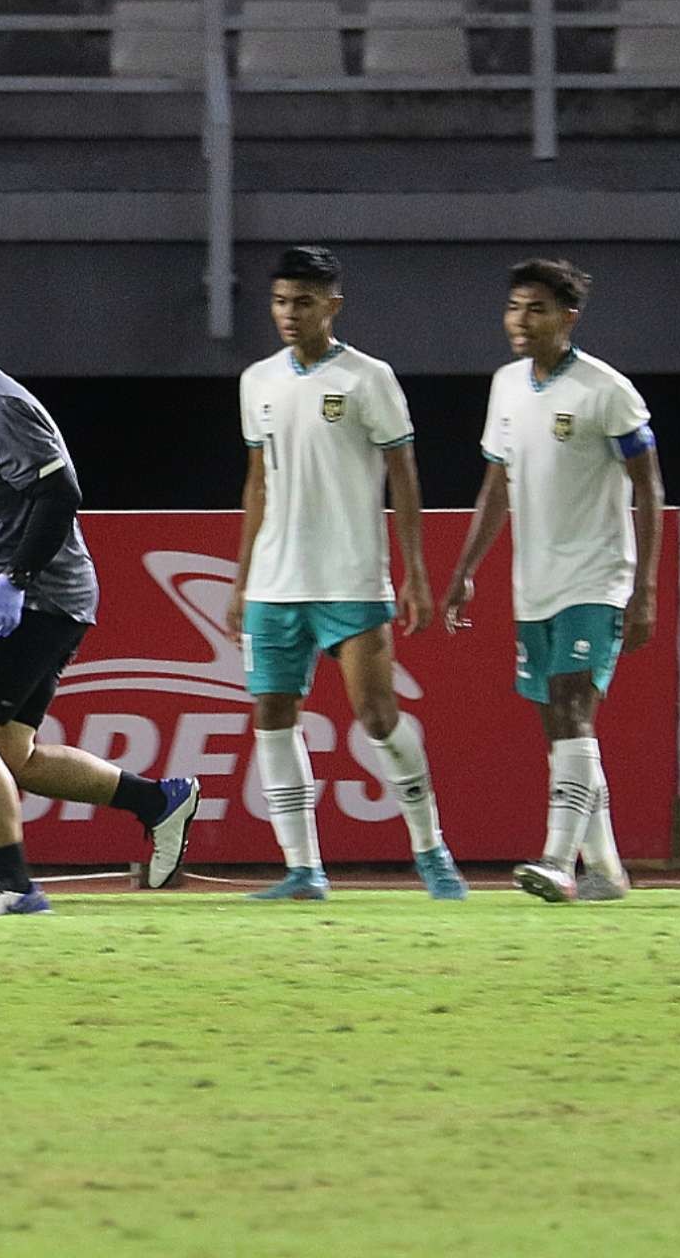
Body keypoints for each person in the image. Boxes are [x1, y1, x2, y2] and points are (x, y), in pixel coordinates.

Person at [0, 290, 200, 916]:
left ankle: (13, 888)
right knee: (11, 753)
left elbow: (59, 493)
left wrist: (15, 578)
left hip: (34, 597)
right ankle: (157, 801)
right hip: (8, 592)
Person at [227, 247, 466, 901]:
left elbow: (404, 476)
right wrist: (242, 577)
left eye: (302, 302)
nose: (288, 314)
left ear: (332, 305)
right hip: (277, 583)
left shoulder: (369, 379)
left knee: (378, 715)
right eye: (279, 301)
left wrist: (415, 573)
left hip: (351, 580)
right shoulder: (259, 382)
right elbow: (258, 483)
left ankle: (432, 851)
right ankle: (303, 870)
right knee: (272, 714)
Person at [444, 260, 662, 904]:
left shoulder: (607, 390)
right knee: (563, 731)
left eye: (536, 309)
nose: (520, 321)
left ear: (568, 318)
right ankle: (607, 869)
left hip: (596, 578)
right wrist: (464, 572)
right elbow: (496, 486)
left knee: (571, 708)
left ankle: (558, 861)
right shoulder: (507, 386)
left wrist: (644, 586)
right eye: (514, 307)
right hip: (533, 584)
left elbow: (648, 488)